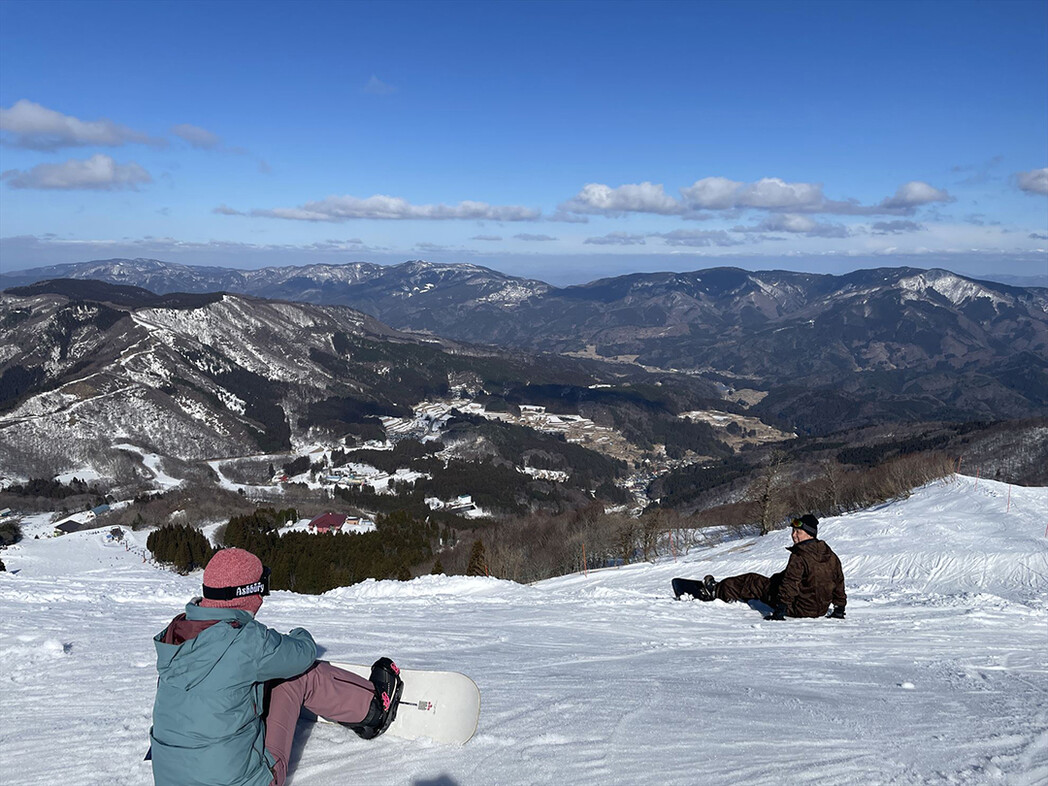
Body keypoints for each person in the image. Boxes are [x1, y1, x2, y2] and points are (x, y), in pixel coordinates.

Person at [150, 547, 403, 786]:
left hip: (172, 779)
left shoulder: (176, 635)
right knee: (298, 675)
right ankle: (373, 710)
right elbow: (302, 654)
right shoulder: (246, 641)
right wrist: (299, 633)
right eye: (262, 586)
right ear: (248, 592)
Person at [671, 514, 846, 620]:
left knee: (752, 580)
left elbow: (790, 584)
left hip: (799, 609)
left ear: (808, 534)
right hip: (819, 609)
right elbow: (838, 582)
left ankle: (714, 591)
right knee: (777, 578)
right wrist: (839, 608)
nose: (793, 536)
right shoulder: (830, 556)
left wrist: (780, 611)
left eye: (798, 532)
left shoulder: (799, 556)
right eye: (793, 531)